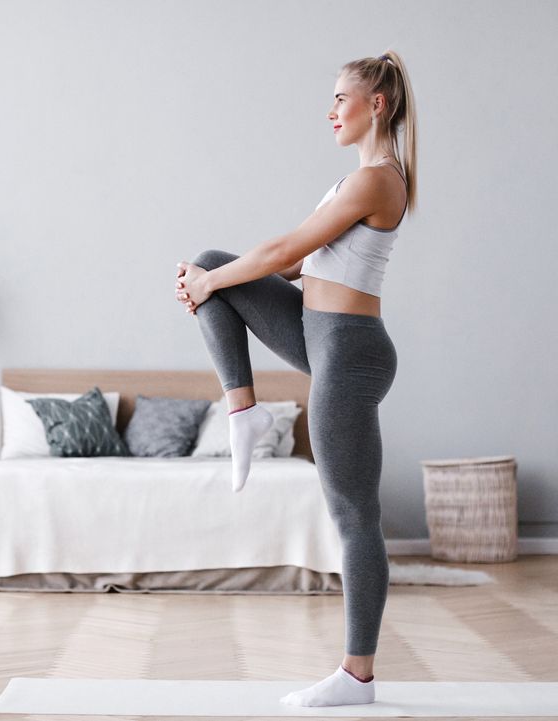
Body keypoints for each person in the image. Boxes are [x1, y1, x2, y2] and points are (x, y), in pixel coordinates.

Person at [173, 50, 418, 707]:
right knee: (212, 266)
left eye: (342, 97)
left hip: (350, 351)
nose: (331, 109)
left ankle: (357, 675)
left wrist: (214, 283)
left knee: (352, 512)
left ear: (378, 105)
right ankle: (243, 408)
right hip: (316, 330)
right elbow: (292, 265)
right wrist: (212, 281)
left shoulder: (379, 179)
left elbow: (285, 249)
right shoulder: (351, 182)